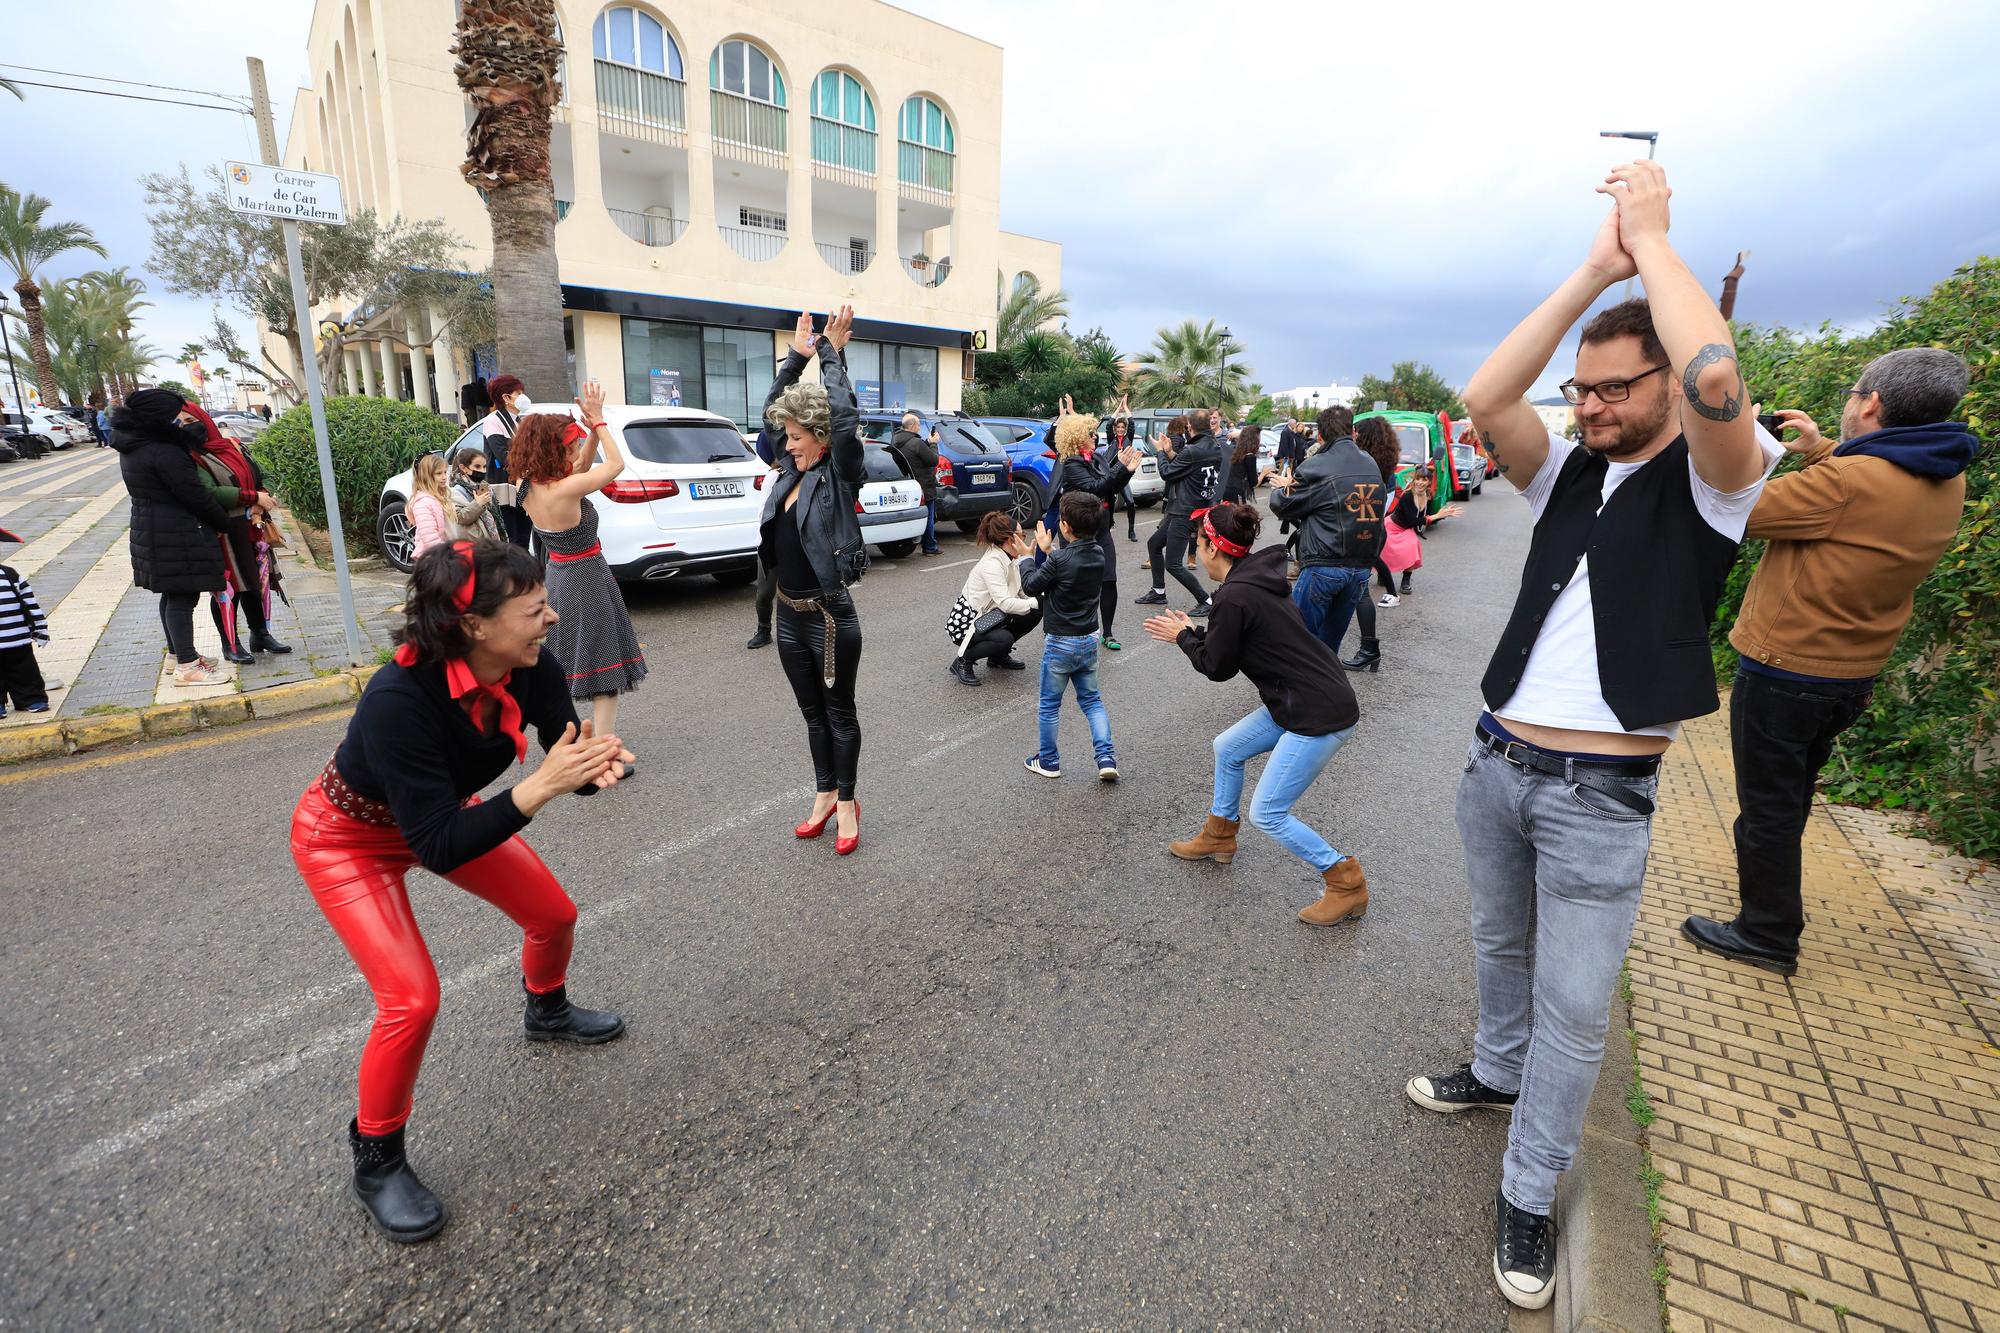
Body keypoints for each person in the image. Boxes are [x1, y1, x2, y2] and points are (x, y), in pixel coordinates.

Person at [1408, 163, 1781, 1312]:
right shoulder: (1566, 469)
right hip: (1495, 761)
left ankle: (1528, 1189)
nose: (1590, 408)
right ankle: (1493, 1067)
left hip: (1598, 793)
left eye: (1616, 389)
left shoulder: (1722, 480)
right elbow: (1482, 398)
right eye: (1581, 391)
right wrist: (1590, 271)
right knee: (1497, 952)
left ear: (1665, 383)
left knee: (1578, 1012)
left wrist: (1655, 245)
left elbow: (1715, 375)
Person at [291, 539, 633, 1243]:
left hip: (443, 815)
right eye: (536, 608)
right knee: (412, 998)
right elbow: (438, 844)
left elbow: (556, 733)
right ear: (474, 624)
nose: (552, 619)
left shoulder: (529, 661)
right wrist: (539, 788)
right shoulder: (397, 700)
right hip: (348, 837)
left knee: (554, 914)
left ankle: (548, 1011)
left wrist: (589, 759)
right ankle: (377, 1160)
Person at [1682, 348, 1979, 976]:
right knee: (1786, 799)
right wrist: (1822, 451)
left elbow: (1734, 509)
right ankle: (1771, 916)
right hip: (1850, 674)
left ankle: (1767, 933)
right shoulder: (1947, 475)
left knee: (1767, 806)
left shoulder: (1847, 483)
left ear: (1870, 402)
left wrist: (1747, 441)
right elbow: (1854, 510)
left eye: (1852, 393)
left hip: (1788, 671)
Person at [1147, 502, 1368, 924]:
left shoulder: (1236, 595)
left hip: (1318, 715)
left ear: (1214, 548)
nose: (1196, 552)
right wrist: (1191, 633)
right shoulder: (1252, 580)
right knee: (1227, 747)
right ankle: (1219, 836)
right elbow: (1227, 645)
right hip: (1298, 700)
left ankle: (1346, 882)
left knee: (1268, 812)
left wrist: (1182, 638)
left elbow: (1217, 666)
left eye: (1198, 544)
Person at [760, 306, 868, 854]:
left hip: (829, 619)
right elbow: (766, 421)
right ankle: (824, 794)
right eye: (786, 437)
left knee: (839, 714)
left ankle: (847, 802)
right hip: (787, 617)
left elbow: (846, 419)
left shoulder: (840, 472)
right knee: (810, 716)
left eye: (797, 436)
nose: (788, 443)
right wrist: (795, 359)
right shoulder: (786, 470)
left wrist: (828, 352)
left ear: (820, 438)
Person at [514, 379, 647, 771]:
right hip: (586, 576)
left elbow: (582, 467)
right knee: (604, 670)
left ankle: (575, 746)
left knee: (565, 663)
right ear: (554, 450)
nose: (574, 452)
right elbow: (615, 465)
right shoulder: (564, 490)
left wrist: (587, 432)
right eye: (569, 446)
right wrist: (602, 423)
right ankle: (603, 756)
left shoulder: (528, 485)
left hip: (557, 574)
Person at [109, 388, 236, 687]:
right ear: (161, 416)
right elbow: (194, 493)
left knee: (172, 593)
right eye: (177, 415)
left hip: (155, 527)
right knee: (183, 594)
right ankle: (187, 666)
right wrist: (222, 522)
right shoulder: (162, 451)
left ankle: (177, 654)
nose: (182, 420)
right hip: (175, 530)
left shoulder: (136, 443)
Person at [1268, 405, 1384, 659]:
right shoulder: (1370, 462)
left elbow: (1282, 504)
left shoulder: (1317, 465)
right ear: (1353, 431)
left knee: (1295, 642)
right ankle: (1323, 696)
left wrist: (1284, 487)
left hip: (1325, 562)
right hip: (1361, 564)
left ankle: (1287, 698)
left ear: (1320, 435)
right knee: (1328, 648)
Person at [184, 401, 292, 664]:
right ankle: (230, 644)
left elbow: (260, 473)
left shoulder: (231, 446)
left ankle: (260, 634)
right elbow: (209, 492)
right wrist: (252, 497)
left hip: (252, 525)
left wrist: (262, 496)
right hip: (224, 530)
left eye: (191, 421)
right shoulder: (191, 458)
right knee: (228, 587)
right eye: (182, 424)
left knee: (255, 583)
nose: (188, 428)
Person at [1022, 491, 1120, 782]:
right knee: (1092, 701)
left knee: (1050, 705)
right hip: (1089, 638)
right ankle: (1106, 758)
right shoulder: (1099, 553)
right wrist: (1051, 552)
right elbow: (1066, 569)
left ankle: (1049, 761)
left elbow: (1031, 586)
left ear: (1064, 526)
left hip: (1060, 642)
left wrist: (1029, 557)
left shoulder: (1059, 561)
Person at [1045, 398, 1140, 651]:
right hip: (1077, 533)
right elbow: (1095, 488)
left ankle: (1107, 632)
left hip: (1101, 529)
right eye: (1090, 434)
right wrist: (1120, 467)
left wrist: (1127, 469)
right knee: (1074, 582)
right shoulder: (1072, 464)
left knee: (1109, 579)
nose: (1095, 437)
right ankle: (1068, 629)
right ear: (1077, 438)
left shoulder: (1095, 459)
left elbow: (1112, 486)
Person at [1134, 411, 1220, 615]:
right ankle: (1158, 591)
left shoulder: (1193, 450)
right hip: (1185, 507)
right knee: (1154, 544)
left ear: (1190, 427)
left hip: (1185, 511)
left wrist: (1161, 452)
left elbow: (1167, 473)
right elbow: (1185, 465)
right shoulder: (1212, 447)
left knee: (1173, 563)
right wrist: (1170, 451)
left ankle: (1206, 601)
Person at [948, 511, 1041, 685]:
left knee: (1035, 611)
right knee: (1004, 638)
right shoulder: (992, 563)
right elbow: (1005, 604)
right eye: (1022, 535)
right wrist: (1036, 601)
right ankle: (963, 661)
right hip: (969, 624)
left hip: (992, 615)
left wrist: (1041, 597)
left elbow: (1022, 592)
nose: (1024, 539)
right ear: (1010, 539)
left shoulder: (1010, 557)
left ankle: (997, 656)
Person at [0, 525, 51, 715]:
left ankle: (32, 699)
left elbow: (30, 603)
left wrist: (40, 628)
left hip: (17, 639)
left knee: (25, 671)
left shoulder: (10, 575)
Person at [479, 374, 533, 550]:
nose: (522, 396)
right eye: (518, 393)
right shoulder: (493, 420)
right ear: (506, 398)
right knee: (513, 538)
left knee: (525, 536)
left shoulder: (520, 420)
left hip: (521, 486)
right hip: (504, 489)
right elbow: (503, 455)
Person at [890, 411, 944, 556]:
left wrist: (926, 443)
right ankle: (930, 547)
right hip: (924, 485)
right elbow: (933, 460)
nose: (919, 428)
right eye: (918, 425)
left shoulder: (895, 440)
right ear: (912, 425)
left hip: (908, 484)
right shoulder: (916, 443)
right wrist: (933, 444)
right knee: (928, 517)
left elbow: (913, 451)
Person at [447, 448, 507, 542]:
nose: (482, 471)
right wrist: (478, 504)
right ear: (463, 468)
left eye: (484, 467)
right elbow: (458, 517)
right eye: (477, 467)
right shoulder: (457, 490)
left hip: (492, 540)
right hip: (475, 542)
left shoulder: (484, 486)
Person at [407, 452, 453, 562]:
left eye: (445, 472)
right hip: (433, 558)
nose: (444, 477)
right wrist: (447, 556)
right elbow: (430, 538)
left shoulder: (439, 497)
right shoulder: (423, 503)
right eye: (438, 473)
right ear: (426, 477)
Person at [1104, 404, 1140, 540]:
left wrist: (1125, 407)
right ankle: (1109, 523)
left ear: (1125, 430)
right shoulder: (1111, 440)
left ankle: (1131, 530)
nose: (1120, 429)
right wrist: (1118, 410)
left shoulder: (1128, 440)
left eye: (1122, 427)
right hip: (1111, 475)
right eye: (1118, 427)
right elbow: (1108, 425)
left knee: (1130, 502)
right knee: (1108, 502)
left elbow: (1132, 423)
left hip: (1123, 476)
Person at [1222, 423, 1261, 504]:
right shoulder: (1250, 456)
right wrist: (1264, 472)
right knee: (1240, 515)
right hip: (1237, 492)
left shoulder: (1238, 452)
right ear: (1255, 439)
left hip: (1227, 489)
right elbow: (1253, 482)